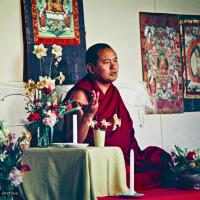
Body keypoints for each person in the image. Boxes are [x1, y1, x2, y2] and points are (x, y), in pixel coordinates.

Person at [63, 43, 172, 190]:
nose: (114, 66)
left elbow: (125, 131)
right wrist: (88, 115)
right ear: (91, 68)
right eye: (107, 62)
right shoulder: (81, 94)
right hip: (100, 160)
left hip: (125, 157)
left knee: (161, 159)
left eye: (115, 60)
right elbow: (72, 142)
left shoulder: (113, 92)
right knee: (126, 176)